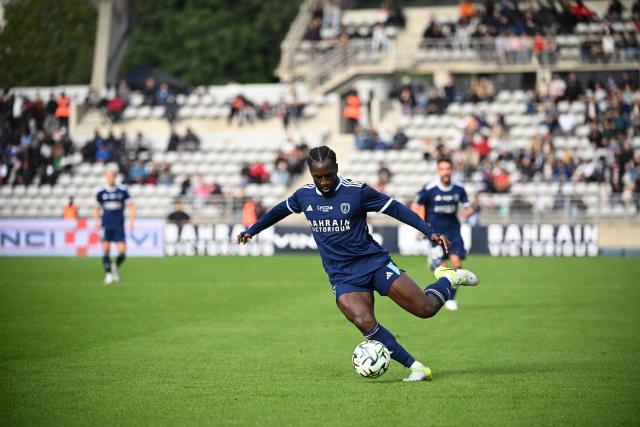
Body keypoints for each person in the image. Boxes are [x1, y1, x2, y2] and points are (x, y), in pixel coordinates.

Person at [237, 146, 479, 382]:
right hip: (343, 276)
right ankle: (415, 367)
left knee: (425, 309)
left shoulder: (357, 192)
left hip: (374, 263)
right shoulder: (304, 196)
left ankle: (448, 279)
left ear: (337, 168)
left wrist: (429, 231)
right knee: (364, 321)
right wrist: (252, 230)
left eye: (328, 175)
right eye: (318, 177)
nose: (324, 182)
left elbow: (395, 209)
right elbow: (278, 211)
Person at [415, 158, 474, 311]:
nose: (445, 172)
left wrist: (466, 212)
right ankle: (447, 296)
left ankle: (451, 298)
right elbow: (418, 205)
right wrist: (421, 226)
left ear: (452, 169)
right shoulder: (430, 189)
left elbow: (468, 207)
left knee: (457, 265)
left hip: (453, 231)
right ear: (438, 171)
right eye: (442, 169)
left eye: (448, 168)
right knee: (443, 269)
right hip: (436, 233)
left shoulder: (459, 188)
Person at [94, 167, 135, 285]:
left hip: (118, 225)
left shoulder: (122, 190)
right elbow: (96, 208)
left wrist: (131, 221)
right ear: (106, 177)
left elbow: (131, 206)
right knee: (105, 249)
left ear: (115, 177)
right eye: (108, 176)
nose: (110, 178)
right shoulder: (101, 191)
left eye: (112, 176)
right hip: (106, 225)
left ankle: (115, 266)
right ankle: (108, 274)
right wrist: (97, 220)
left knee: (122, 251)